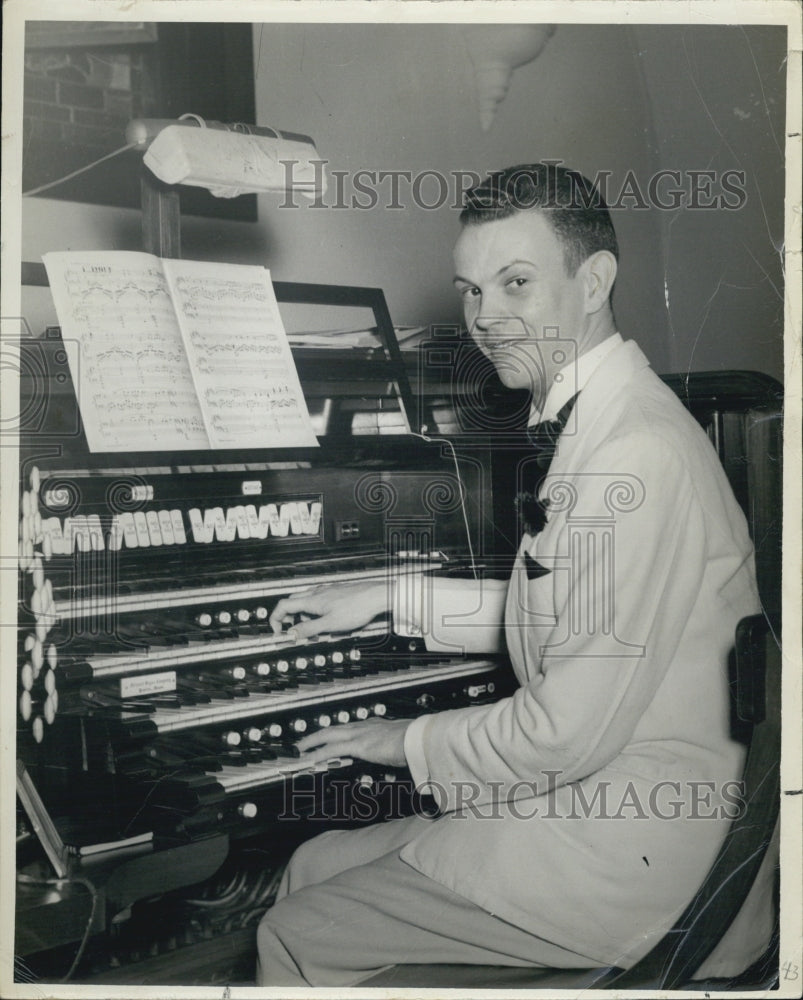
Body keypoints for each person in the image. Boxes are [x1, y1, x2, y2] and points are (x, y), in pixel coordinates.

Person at [255, 163, 775, 987]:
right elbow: (570, 599)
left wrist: (399, 743)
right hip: (612, 808)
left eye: (516, 283)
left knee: (292, 931)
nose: (485, 319)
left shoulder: (629, 452)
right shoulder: (608, 420)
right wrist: (389, 598)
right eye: (469, 291)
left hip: (625, 854)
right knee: (315, 863)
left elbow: (562, 732)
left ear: (594, 279)